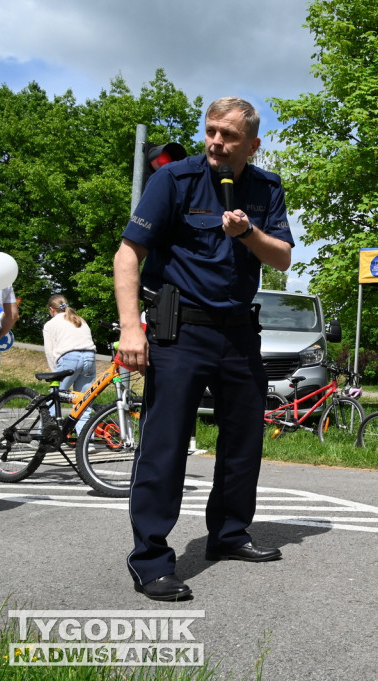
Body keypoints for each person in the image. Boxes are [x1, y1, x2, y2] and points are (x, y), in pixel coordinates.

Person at [114, 97, 294, 601]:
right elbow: (129, 253)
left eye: (229, 135)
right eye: (211, 130)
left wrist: (248, 232)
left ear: (253, 144)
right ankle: (150, 559)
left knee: (243, 443)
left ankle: (229, 534)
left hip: (239, 332)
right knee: (165, 446)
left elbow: (280, 258)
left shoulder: (266, 187)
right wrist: (132, 328)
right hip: (180, 331)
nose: (216, 141)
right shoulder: (173, 180)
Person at [42, 294, 97, 434]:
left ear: (51, 310)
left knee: (55, 399)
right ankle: (86, 441)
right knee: (84, 401)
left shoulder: (50, 324)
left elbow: (50, 352)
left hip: (69, 359)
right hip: (90, 358)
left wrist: (55, 373)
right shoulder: (80, 320)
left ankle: (45, 436)